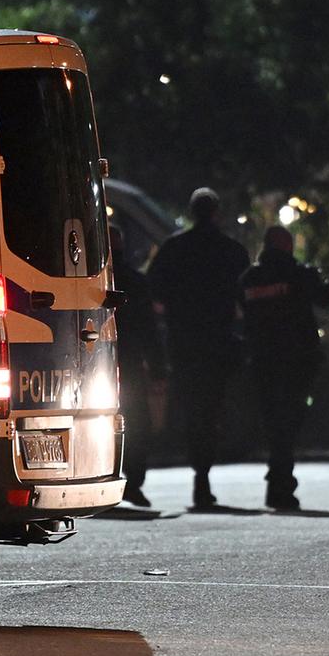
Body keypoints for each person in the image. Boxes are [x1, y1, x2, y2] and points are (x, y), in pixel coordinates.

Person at [146, 187, 251, 510]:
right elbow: (244, 294)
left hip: (184, 341)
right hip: (219, 340)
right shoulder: (231, 249)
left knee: (192, 407)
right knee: (214, 406)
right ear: (216, 212)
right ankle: (204, 470)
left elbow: (153, 288)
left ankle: (199, 471)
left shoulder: (175, 247)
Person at [240, 226, 329, 511]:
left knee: (272, 422)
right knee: (290, 421)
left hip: (262, 360)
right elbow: (326, 300)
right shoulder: (300, 274)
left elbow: (240, 313)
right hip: (297, 360)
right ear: (288, 246)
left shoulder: (248, 279)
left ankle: (278, 477)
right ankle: (280, 480)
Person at [110, 224, 167, 510]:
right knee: (136, 423)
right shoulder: (134, 280)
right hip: (129, 363)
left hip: (97, 363)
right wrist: (158, 368)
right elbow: (149, 329)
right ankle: (133, 482)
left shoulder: (92, 281)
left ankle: (108, 475)